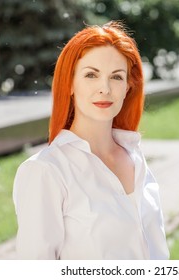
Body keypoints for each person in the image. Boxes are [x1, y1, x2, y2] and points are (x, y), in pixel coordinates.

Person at [12, 21, 169, 260]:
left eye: (116, 77)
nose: (104, 88)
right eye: (91, 75)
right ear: (70, 83)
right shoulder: (46, 171)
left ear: (128, 86)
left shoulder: (135, 157)